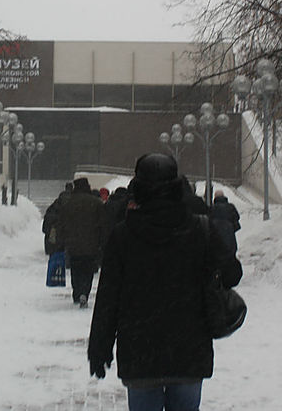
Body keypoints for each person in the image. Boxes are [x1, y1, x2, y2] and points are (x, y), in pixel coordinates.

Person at [88, 153, 242, 410]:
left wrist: (99, 347)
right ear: (178, 187)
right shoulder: (201, 230)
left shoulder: (123, 236)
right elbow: (232, 274)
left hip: (139, 354)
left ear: (137, 190)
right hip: (189, 351)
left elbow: (108, 298)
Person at [58, 177, 105, 308]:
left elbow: (62, 222)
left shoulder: (69, 203)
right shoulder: (96, 203)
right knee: (88, 270)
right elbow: (102, 224)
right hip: (91, 243)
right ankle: (85, 292)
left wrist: (62, 241)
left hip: (73, 244)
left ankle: (77, 292)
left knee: (76, 269)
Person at [42, 183, 72, 256]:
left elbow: (46, 226)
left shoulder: (55, 206)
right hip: (69, 243)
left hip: (55, 238)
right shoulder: (75, 204)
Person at [210, 190, 241, 255]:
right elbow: (236, 217)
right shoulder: (230, 207)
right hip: (229, 234)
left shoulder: (212, 208)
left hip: (216, 236)